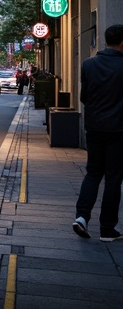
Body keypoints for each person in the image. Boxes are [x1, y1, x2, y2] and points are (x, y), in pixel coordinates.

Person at [73, 23, 123, 242]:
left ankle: (82, 217)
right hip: (119, 129)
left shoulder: (89, 64)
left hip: (93, 127)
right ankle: (107, 228)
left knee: (93, 172)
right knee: (113, 177)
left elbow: (84, 97)